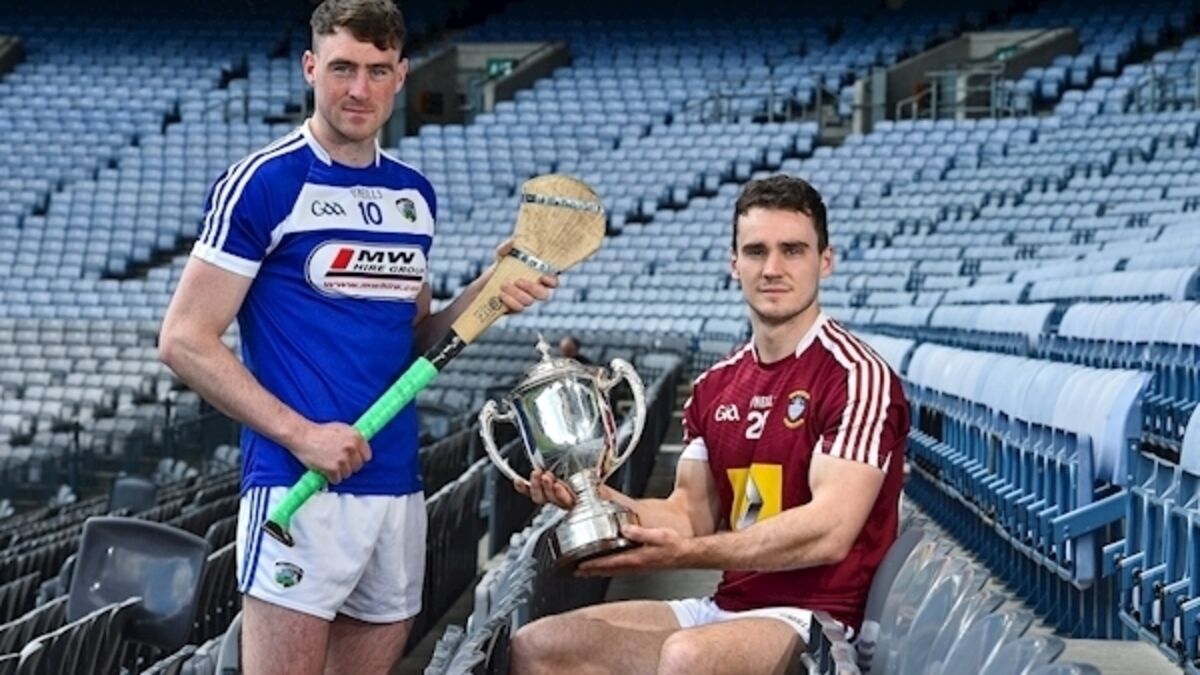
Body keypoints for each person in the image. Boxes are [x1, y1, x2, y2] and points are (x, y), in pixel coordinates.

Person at [158, 2, 555, 673]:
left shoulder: (414, 196)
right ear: (310, 68)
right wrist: (301, 434)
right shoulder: (264, 183)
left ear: (401, 75)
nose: (359, 89)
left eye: (377, 70)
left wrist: (490, 290)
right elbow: (184, 339)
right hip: (298, 487)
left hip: (397, 483)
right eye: (342, 68)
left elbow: (417, 340)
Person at [510, 175, 909, 675]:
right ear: (734, 263)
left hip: (822, 620)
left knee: (688, 657)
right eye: (756, 251)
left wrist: (684, 555)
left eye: (793, 250)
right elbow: (688, 514)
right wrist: (595, 499)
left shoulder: (855, 376)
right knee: (539, 646)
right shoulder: (715, 386)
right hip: (728, 608)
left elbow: (829, 531)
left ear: (824, 261)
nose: (772, 268)